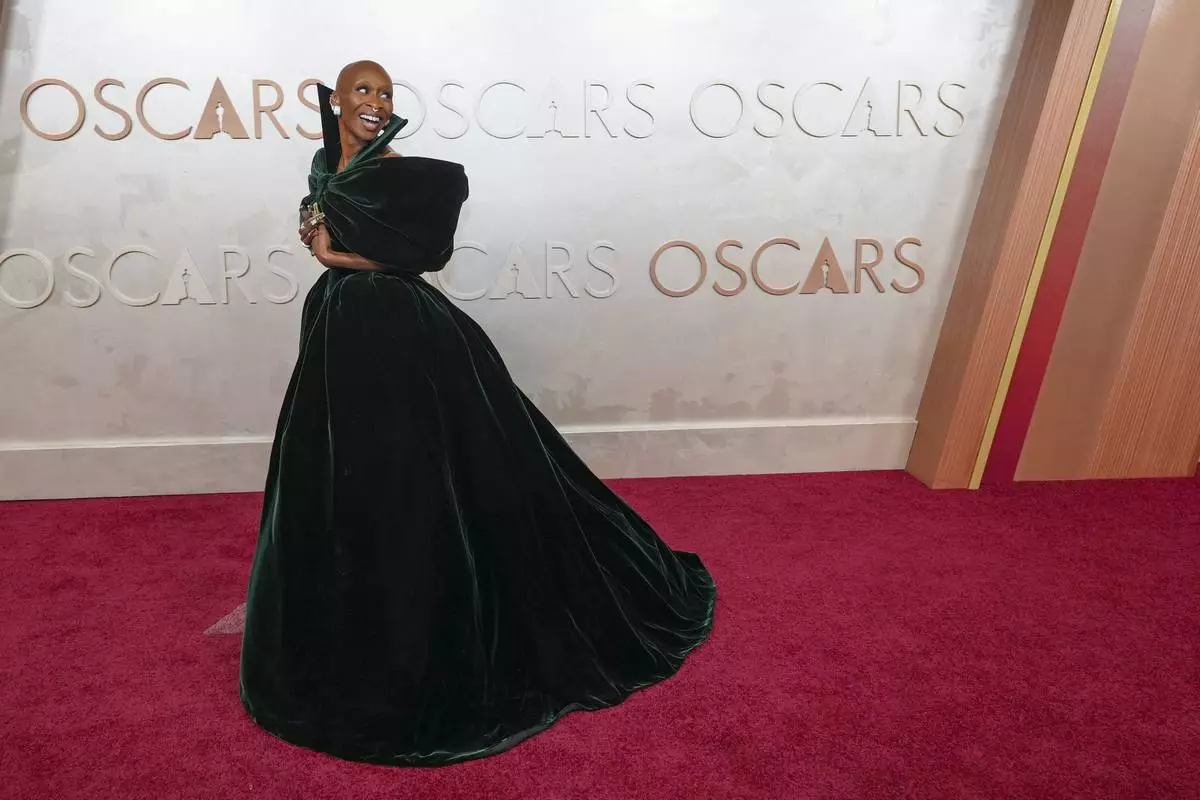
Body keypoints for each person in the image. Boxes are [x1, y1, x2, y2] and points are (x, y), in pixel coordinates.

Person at [238, 60, 716, 767]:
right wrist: (323, 241)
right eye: (364, 90)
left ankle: (425, 608)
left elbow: (420, 258)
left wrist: (334, 252)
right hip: (340, 325)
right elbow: (322, 230)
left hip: (394, 326)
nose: (376, 102)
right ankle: (346, 602)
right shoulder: (324, 162)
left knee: (417, 468)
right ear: (336, 99)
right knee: (344, 466)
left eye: (386, 93)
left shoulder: (397, 171)